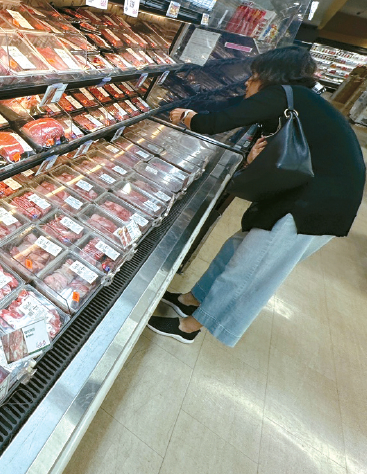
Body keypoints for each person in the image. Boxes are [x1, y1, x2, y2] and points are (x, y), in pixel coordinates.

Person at [147, 46, 365, 346]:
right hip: (308, 192)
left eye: (254, 76)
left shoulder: (284, 96)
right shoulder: (302, 99)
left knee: (250, 266)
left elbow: (215, 123)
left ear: (270, 76)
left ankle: (190, 327)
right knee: (235, 248)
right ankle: (191, 299)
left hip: (314, 205)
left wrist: (186, 116)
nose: (248, 83)